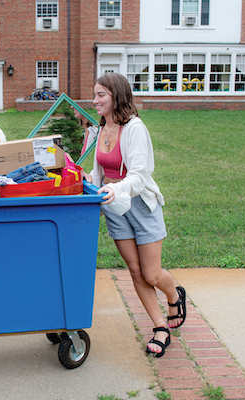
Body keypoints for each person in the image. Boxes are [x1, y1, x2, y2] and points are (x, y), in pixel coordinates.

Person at [83, 73, 187, 358]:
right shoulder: (102, 128)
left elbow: (140, 176)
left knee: (152, 272)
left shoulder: (135, 128)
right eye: (95, 95)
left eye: (100, 94)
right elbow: (100, 173)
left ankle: (174, 295)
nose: (95, 101)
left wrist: (116, 188)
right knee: (135, 270)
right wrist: (87, 178)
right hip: (115, 209)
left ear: (116, 95)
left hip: (140, 205)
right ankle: (159, 327)